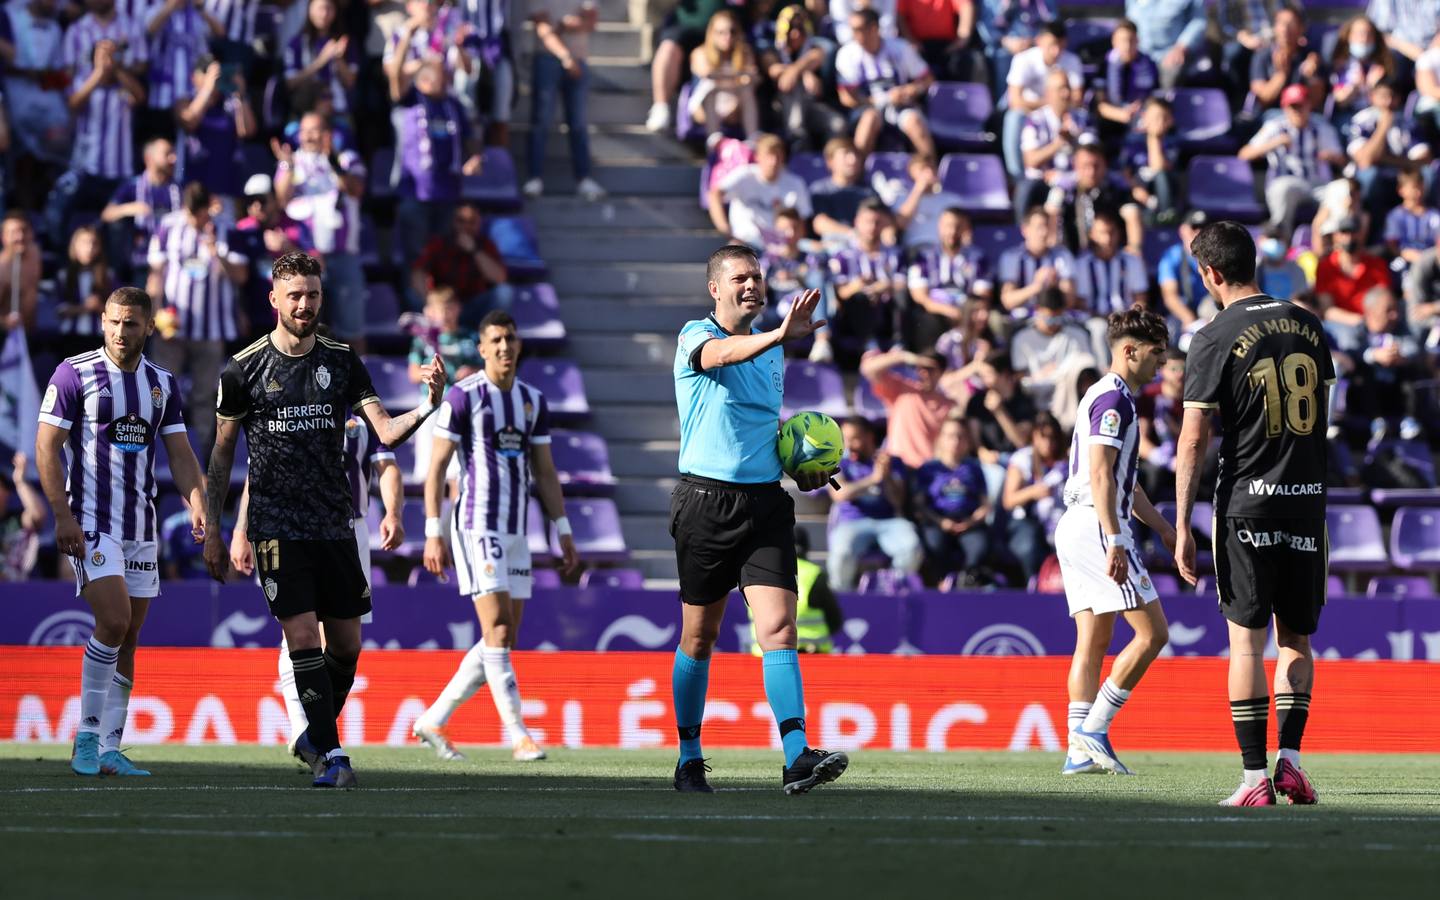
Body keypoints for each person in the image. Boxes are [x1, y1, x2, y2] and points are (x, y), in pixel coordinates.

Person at [203, 252, 448, 788]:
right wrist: (220, 533)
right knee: (302, 638)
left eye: (312, 294)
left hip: (336, 524)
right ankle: (333, 754)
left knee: (346, 646)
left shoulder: (341, 360)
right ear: (274, 299)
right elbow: (222, 455)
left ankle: (314, 735)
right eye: (294, 295)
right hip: (276, 526)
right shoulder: (242, 369)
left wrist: (429, 406)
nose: (304, 304)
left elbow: (382, 432)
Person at [668, 245, 846, 794]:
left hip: (765, 502)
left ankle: (796, 754)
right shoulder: (695, 335)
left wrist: (803, 466)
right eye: (740, 278)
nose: (752, 285)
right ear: (715, 288)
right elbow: (720, 357)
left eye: (758, 278)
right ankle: (689, 757)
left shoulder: (774, 352)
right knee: (701, 637)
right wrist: (778, 334)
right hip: (705, 502)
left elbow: (760, 429)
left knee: (779, 629)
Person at [1173, 220, 1334, 806]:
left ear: (1211, 273)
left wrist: (1184, 522)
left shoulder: (1213, 335)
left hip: (1247, 505)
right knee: (1296, 641)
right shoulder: (1310, 326)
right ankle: (1289, 763)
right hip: (1307, 505)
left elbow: (1193, 438)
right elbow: (1319, 418)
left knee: (1246, 644)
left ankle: (1251, 781)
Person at [35, 286, 207, 778]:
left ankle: (112, 747)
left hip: (141, 525)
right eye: (113, 321)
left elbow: (179, 453)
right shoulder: (74, 373)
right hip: (90, 522)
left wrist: (197, 504)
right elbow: (47, 447)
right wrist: (61, 515)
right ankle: (85, 739)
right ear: (103, 321)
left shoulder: (161, 383)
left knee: (129, 634)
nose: (120, 331)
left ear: (149, 327)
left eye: (131, 323)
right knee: (112, 620)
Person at [413, 310, 579, 762]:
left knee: (501, 639)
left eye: (510, 338)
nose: (504, 347)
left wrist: (562, 528)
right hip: (475, 525)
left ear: (518, 345)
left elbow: (544, 471)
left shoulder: (531, 400)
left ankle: (433, 719)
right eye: (495, 341)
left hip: (516, 529)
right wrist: (433, 532)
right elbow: (435, 470)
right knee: (499, 629)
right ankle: (519, 735)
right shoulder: (464, 398)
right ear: (482, 349)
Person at [230, 412, 405, 765]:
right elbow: (257, 474)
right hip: (293, 528)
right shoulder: (285, 408)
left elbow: (387, 466)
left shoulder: (362, 418)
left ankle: (315, 731)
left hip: (350, 530)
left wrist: (394, 512)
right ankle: (303, 731)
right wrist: (241, 530)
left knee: (343, 641)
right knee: (298, 631)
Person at [1055, 304, 1174, 776]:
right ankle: (1094, 728)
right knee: (1153, 633)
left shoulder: (1105, 396)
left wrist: (1161, 526)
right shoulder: (1114, 400)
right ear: (1129, 351)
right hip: (1095, 523)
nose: (1159, 366)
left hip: (1079, 521)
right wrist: (1116, 538)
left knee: (1094, 637)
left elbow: (1124, 480)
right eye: (1154, 356)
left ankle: (1076, 750)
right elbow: (1102, 475)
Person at [146, 182, 248, 455]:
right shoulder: (168, 226)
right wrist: (153, 315)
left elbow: (240, 276)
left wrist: (217, 253)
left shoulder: (226, 229)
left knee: (206, 396)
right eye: (191, 214)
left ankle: (201, 455)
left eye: (199, 214)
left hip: (212, 328)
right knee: (159, 391)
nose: (195, 220)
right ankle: (154, 452)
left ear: (209, 208)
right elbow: (155, 274)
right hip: (172, 327)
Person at [390, 58, 486, 308]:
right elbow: (395, 76)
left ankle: (441, 313)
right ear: (422, 81)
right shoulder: (409, 100)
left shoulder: (453, 104)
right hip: (415, 195)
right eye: (436, 78)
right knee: (415, 258)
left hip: (448, 194)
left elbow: (470, 136)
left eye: (443, 78)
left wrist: (475, 157)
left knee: (442, 258)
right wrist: (409, 34)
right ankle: (415, 310)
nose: (442, 83)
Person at [272, 113, 369, 351]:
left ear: (328, 133)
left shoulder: (347, 158)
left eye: (314, 130)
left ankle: (359, 385)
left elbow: (355, 189)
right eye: (304, 131)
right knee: (307, 329)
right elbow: (281, 199)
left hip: (342, 254)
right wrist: (288, 166)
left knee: (352, 330)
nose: (308, 136)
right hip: (305, 259)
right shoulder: (292, 162)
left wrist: (333, 160)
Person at [826, 416, 922, 590]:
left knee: (911, 548)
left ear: (869, 437)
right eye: (845, 439)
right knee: (840, 553)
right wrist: (872, 479)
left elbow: (898, 501)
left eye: (854, 439)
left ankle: (891, 592)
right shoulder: (837, 462)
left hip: (889, 522)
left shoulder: (892, 461)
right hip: (852, 522)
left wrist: (886, 478)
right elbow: (840, 494)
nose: (849, 445)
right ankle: (841, 599)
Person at [524, 0, 605, 201]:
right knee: (541, 121)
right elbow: (543, 28)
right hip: (547, 59)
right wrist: (565, 54)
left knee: (578, 123)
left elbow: (591, 21)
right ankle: (534, 177)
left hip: (579, 59)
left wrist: (561, 25)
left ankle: (583, 178)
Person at [834, 8, 935, 159]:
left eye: (858, 29)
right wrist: (884, 99)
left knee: (915, 121)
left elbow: (928, 80)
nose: (854, 34)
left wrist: (911, 89)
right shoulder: (847, 54)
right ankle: (857, 174)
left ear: (874, 28)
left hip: (900, 106)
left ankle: (930, 171)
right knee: (870, 119)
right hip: (866, 108)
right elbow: (846, 99)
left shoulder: (900, 47)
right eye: (852, 30)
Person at [912, 416, 992, 584]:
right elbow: (919, 504)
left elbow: (985, 504)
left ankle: (968, 582)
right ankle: (942, 584)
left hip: (969, 522)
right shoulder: (928, 469)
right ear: (940, 439)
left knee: (979, 547)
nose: (955, 441)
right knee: (934, 544)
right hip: (937, 521)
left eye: (960, 436)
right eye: (950, 436)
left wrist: (970, 522)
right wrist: (941, 521)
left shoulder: (974, 468)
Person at [1001, 21, 1082, 178]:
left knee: (1078, 119)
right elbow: (1014, 100)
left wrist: (1056, 107)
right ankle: (1017, 177)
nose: (1056, 50)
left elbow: (1077, 99)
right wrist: (1050, 104)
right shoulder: (1023, 59)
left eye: (1060, 45)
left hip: (1060, 113)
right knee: (1014, 117)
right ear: (1039, 41)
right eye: (1052, 44)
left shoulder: (1072, 61)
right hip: (1029, 113)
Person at [412, 203, 510, 328]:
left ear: (478, 224)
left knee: (505, 292)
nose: (466, 226)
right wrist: (429, 299)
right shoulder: (439, 244)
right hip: (444, 307)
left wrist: (474, 250)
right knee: (413, 296)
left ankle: (490, 337)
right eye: (461, 221)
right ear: (453, 222)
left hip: (474, 307)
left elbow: (500, 278)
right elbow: (418, 272)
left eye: (471, 222)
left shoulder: (485, 245)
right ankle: (432, 338)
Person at [760, 4, 843, 152]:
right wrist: (803, 73)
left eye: (800, 28)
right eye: (791, 28)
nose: (796, 33)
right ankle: (799, 149)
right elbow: (774, 70)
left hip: (810, 107)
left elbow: (817, 56)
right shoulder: (772, 48)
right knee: (794, 88)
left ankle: (830, 161)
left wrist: (797, 71)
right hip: (779, 109)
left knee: (838, 124)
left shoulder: (813, 47)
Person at [708, 132, 811, 251]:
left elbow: (802, 221)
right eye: (769, 155)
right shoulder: (744, 175)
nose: (773, 161)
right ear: (758, 156)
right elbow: (715, 194)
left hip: (782, 248)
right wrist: (725, 228)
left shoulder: (795, 183)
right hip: (746, 245)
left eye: (778, 155)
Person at [747, 527, 843, 654]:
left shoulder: (756, 571)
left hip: (763, 657)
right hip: (811, 657)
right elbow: (835, 620)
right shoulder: (814, 574)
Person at [175, 54, 257, 202]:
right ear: (193, 77)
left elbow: (247, 131)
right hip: (195, 190)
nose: (214, 77)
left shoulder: (230, 102)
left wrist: (241, 94)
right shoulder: (186, 101)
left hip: (227, 187)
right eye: (206, 72)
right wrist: (207, 88)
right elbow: (190, 121)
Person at [859, 347, 955, 469]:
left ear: (941, 372)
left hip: (927, 469)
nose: (924, 373)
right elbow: (868, 369)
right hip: (897, 466)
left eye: (930, 369)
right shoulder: (902, 390)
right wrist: (904, 357)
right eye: (920, 368)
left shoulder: (949, 404)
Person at [100, 137, 181, 280]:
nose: (173, 159)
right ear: (149, 158)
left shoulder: (178, 189)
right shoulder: (132, 186)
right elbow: (106, 214)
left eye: (173, 153)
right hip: (140, 258)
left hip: (172, 261)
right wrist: (130, 209)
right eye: (167, 154)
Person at [1001, 409, 1066, 581]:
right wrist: (1032, 492)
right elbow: (1008, 501)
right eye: (1043, 437)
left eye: (1053, 438)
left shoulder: (1066, 461)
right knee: (1029, 544)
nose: (1048, 443)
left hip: (1059, 520)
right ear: (1034, 437)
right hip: (1026, 521)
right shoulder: (1022, 459)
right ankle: (1033, 583)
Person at [1010, 287, 1094, 410]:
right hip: (1033, 400)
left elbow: (1086, 370)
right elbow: (1019, 378)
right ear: (1037, 311)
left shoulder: (1078, 335)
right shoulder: (1022, 338)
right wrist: (1039, 375)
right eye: (1049, 319)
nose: (1054, 324)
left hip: (1069, 401)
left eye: (1058, 318)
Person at [687, 8, 759, 143]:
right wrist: (738, 76)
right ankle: (714, 141)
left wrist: (724, 77)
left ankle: (752, 139)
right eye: (721, 32)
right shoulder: (700, 52)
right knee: (710, 87)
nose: (728, 37)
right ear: (712, 34)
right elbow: (707, 74)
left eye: (732, 31)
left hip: (735, 106)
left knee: (747, 89)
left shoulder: (744, 52)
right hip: (704, 109)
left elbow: (753, 77)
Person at [1314, 216, 1389, 331]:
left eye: (1354, 232)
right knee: (1350, 340)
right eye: (1344, 233)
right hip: (1341, 324)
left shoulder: (1377, 265)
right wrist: (1359, 320)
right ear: (1336, 236)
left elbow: (1383, 300)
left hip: (1375, 323)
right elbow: (1327, 310)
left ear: (1361, 235)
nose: (1349, 238)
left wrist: (1374, 322)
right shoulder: (1326, 266)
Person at [998, 206, 1076, 317]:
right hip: (1022, 321)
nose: (1044, 233)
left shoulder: (1062, 256)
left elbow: (1069, 301)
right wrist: (1037, 286)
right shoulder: (1011, 257)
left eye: (1047, 226)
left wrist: (1053, 288)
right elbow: (1008, 301)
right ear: (1025, 230)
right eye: (1039, 227)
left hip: (1055, 318)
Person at [1125, 0, 1207, 88]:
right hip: (1140, 53)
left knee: (1169, 86)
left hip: (1170, 53)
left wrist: (1181, 47)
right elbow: (1129, 21)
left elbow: (1198, 22)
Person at [57, 224, 113, 341]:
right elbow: (59, 309)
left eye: (94, 243)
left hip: (99, 337)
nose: (89, 248)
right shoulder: (64, 275)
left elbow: (116, 311)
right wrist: (84, 307)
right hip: (69, 337)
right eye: (84, 243)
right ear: (74, 246)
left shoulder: (108, 275)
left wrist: (99, 307)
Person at [1158, 210, 1210, 329]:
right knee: (1170, 328)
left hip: (1209, 308)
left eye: (1203, 228)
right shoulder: (1171, 256)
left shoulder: (1216, 255)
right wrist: (1189, 319)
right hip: (1181, 312)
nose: (1198, 232)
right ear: (1182, 230)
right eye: (1194, 227)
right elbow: (1170, 296)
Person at [0, 451, 44, 581]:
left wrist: (20, 482)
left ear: (7, 493)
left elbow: (37, 515)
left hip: (17, 588)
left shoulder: (17, 519)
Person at [1384, 170, 1440, 270]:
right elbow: (1391, 246)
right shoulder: (1395, 215)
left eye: (1421, 187)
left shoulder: (1434, 215)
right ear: (1401, 190)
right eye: (1414, 188)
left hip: (1430, 261)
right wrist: (1408, 254)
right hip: (1405, 260)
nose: (1418, 192)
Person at [0, 211, 41, 332]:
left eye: (24, 230)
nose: (20, 237)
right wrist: (4, 322)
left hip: (31, 332)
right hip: (6, 336)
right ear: (3, 237)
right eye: (13, 232)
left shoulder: (34, 253)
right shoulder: (2, 268)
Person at [1256, 226, 1308, 301]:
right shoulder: (1254, 268)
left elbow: (1300, 298)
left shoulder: (1296, 269)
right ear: (1260, 240)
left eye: (1278, 238)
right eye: (1270, 237)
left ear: (1287, 242)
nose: (1275, 242)